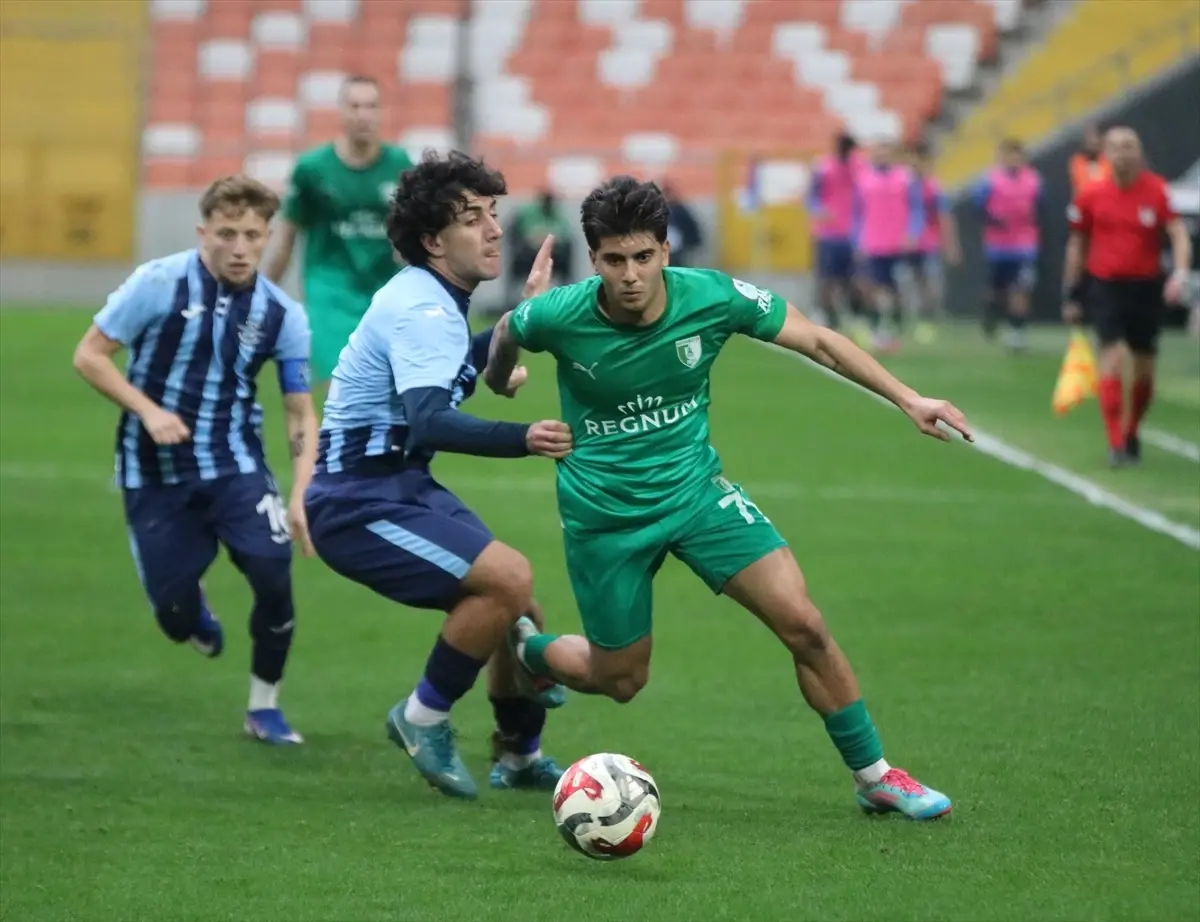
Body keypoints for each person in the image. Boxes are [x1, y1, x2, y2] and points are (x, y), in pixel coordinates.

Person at [484, 176, 973, 821]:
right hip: (606, 516)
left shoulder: (710, 297)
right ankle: (526, 649)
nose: (630, 275)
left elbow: (819, 339)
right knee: (620, 680)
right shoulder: (559, 313)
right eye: (612, 261)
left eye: (643, 257)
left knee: (805, 623)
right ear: (594, 258)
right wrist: (501, 380)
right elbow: (505, 333)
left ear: (665, 250)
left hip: (697, 494)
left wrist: (910, 398)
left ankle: (875, 775)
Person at [303, 151, 572, 800]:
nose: (493, 230)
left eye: (492, 214)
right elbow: (429, 420)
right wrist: (523, 438)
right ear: (431, 240)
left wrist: (515, 324)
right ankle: (422, 717)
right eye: (472, 218)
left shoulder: (436, 303)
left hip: (397, 485)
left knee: (519, 603)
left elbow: (460, 367)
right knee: (507, 581)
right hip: (356, 502)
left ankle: (518, 756)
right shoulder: (422, 308)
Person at [71, 176, 317, 744]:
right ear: (203, 232)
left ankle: (264, 706)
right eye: (226, 234)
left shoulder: (282, 314)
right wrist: (148, 411)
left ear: (266, 237)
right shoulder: (156, 283)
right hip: (153, 471)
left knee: (272, 571)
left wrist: (302, 490)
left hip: (235, 464)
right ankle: (192, 611)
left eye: (251, 235)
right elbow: (89, 355)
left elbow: (300, 411)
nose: (238, 247)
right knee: (175, 618)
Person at [265, 75, 414, 392]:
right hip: (328, 292)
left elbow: (410, 237)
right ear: (341, 112)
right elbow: (286, 238)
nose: (363, 114)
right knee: (345, 382)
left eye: (371, 106)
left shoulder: (400, 165)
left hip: (382, 291)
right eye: (355, 106)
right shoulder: (312, 168)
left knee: (389, 389)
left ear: (381, 113)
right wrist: (260, 292)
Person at [1063, 126, 1191, 466]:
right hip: (1105, 285)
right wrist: (1072, 290)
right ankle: (1116, 442)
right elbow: (1078, 242)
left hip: (1146, 286)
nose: (1123, 152)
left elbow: (1177, 233)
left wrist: (1179, 273)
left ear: (1140, 152)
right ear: (1105, 153)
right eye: (1116, 147)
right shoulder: (1091, 195)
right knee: (1113, 356)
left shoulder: (1157, 190)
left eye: (1130, 146)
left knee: (1145, 370)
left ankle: (1132, 430)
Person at [852, 140, 925, 352]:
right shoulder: (863, 180)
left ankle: (894, 329)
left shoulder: (906, 178)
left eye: (885, 153)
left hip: (898, 245)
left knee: (895, 291)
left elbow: (917, 210)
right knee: (872, 289)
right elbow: (857, 213)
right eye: (878, 153)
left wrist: (912, 234)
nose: (882, 157)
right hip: (872, 244)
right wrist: (857, 240)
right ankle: (876, 330)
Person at [970, 139, 1043, 351]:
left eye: (1016, 155)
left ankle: (1017, 335)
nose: (1012, 160)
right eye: (1007, 155)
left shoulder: (1034, 180)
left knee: (1020, 290)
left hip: (1024, 246)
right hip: (998, 247)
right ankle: (991, 313)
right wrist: (993, 219)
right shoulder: (990, 181)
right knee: (997, 291)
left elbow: (1041, 207)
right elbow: (977, 208)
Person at [808, 133, 868, 338]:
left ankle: (856, 319)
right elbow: (811, 197)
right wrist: (819, 210)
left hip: (852, 234)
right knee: (827, 281)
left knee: (854, 281)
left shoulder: (859, 168)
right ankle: (829, 319)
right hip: (828, 234)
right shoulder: (823, 168)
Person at [906, 140, 961, 344]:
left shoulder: (934, 187)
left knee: (931, 286)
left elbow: (945, 217)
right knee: (914, 285)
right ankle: (918, 322)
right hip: (908, 244)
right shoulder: (905, 185)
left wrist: (951, 245)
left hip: (929, 244)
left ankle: (929, 321)